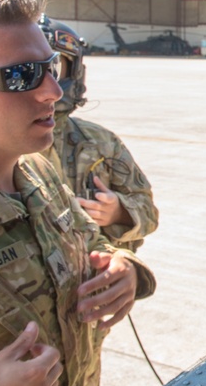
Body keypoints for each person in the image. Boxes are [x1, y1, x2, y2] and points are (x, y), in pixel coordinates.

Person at [0, 0, 157, 386]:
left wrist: (123, 268)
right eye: (21, 76)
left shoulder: (38, 174)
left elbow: (93, 242)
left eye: (50, 68)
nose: (52, 91)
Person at [39, 15, 159, 252]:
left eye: (55, 68)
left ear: (75, 73)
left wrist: (119, 212)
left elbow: (148, 212)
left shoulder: (100, 143)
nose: (46, 85)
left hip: (98, 275)